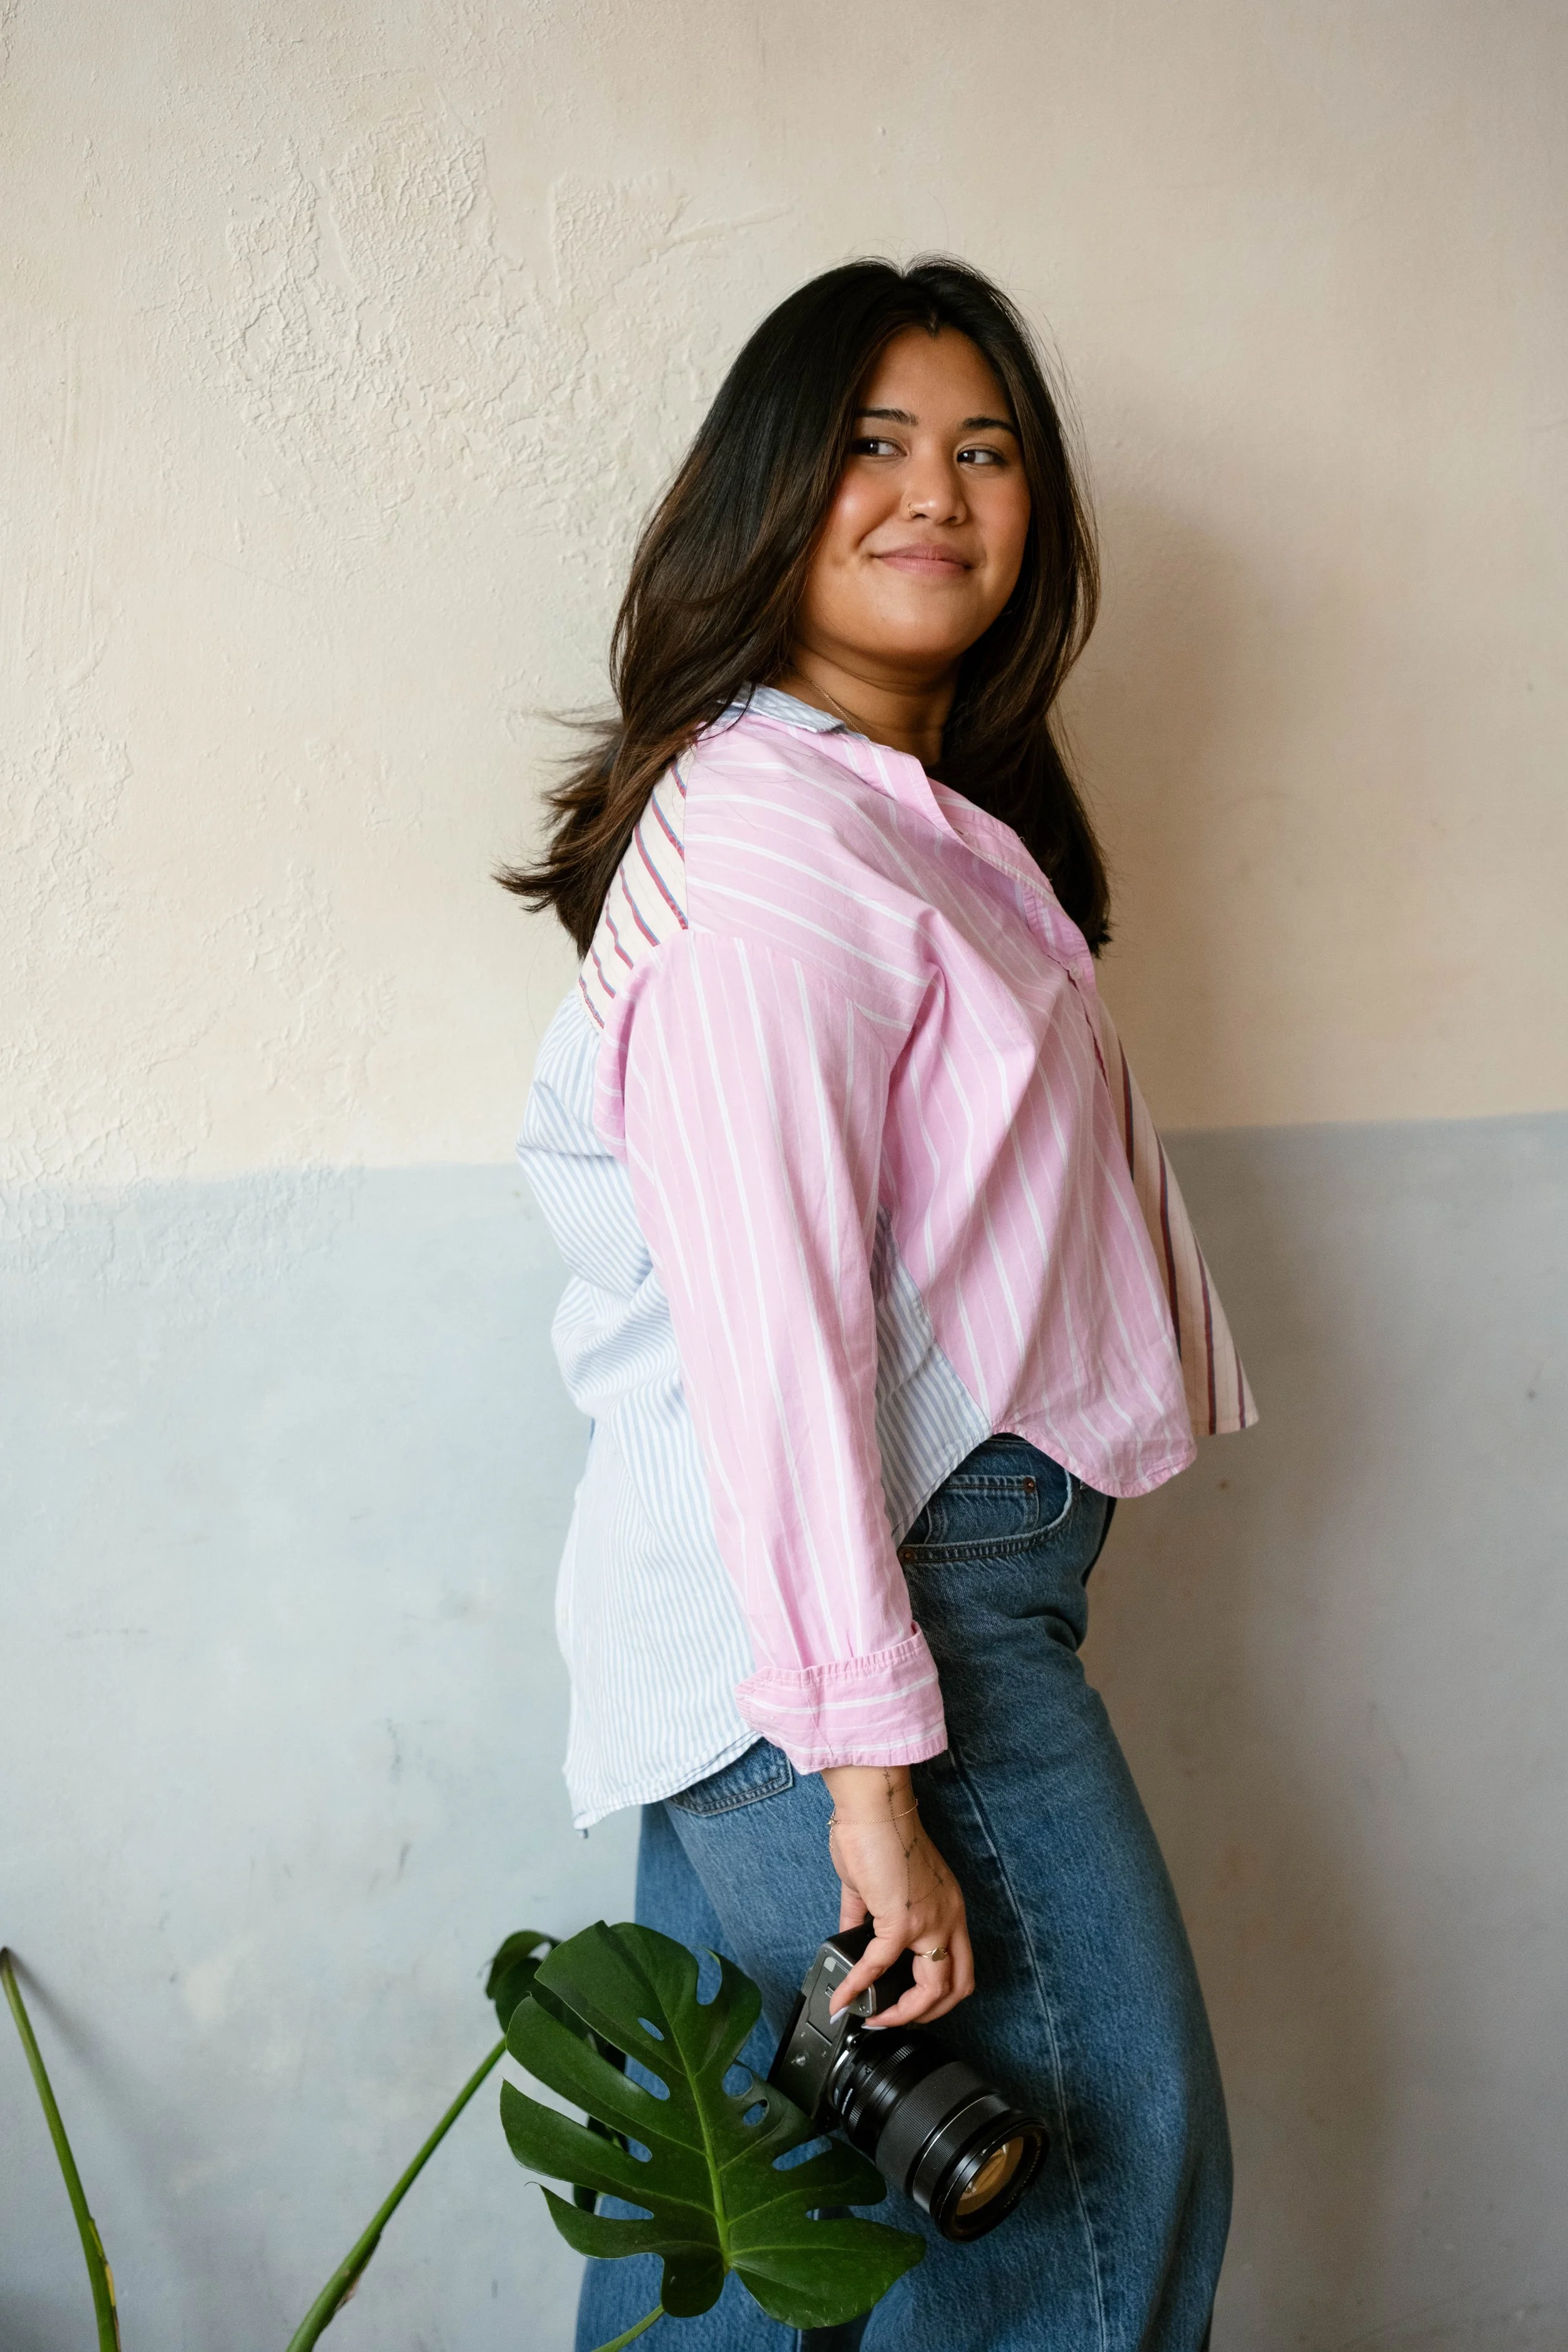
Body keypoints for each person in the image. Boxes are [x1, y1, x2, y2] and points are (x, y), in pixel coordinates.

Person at [506, 257, 1256, 2352]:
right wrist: (866, 1776)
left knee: (735, 2265)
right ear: (768, 491)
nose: (937, 491)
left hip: (827, 1626)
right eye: (872, 442)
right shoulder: (769, 848)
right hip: (880, 1632)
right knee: (1080, 2232)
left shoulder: (883, 817)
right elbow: (772, 1340)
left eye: (985, 450)